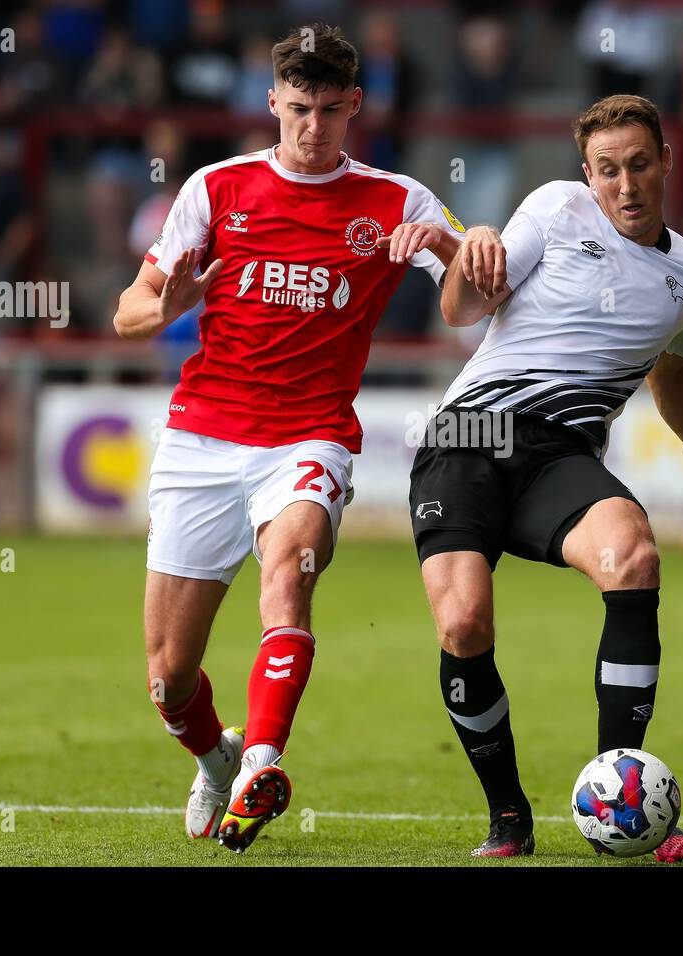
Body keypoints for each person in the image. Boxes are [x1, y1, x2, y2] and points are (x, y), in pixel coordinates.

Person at [112, 23, 465, 854]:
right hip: (202, 437)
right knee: (168, 677)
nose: (313, 127)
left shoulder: (398, 200)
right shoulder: (216, 188)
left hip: (308, 437)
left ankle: (259, 765)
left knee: (290, 581)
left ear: (356, 107)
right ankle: (215, 759)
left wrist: (452, 245)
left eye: (331, 111)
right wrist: (168, 304)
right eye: (298, 108)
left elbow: (475, 303)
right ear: (272, 102)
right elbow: (128, 311)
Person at [408, 94, 683, 859]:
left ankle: (624, 803)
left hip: (560, 454)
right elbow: (463, 311)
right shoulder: (556, 206)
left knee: (633, 557)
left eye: (640, 165)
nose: (626, 185)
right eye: (608, 170)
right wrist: (463, 246)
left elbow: (674, 379)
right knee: (464, 624)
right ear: (587, 174)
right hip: (469, 435)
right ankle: (508, 817)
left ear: (667, 160)